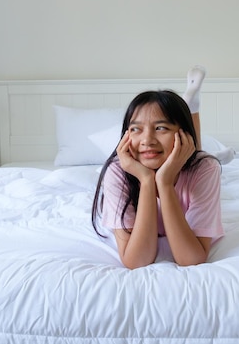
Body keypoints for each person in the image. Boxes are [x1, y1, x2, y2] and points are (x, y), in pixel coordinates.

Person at [91, 66, 224, 269]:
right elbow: (137, 261)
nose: (147, 140)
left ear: (181, 133)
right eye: (136, 129)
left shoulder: (205, 168)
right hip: (166, 164)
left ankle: (191, 105)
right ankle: (190, 104)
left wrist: (164, 182)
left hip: (191, 163)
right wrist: (146, 180)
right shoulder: (117, 172)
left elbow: (191, 259)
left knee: (197, 155)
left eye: (161, 127)